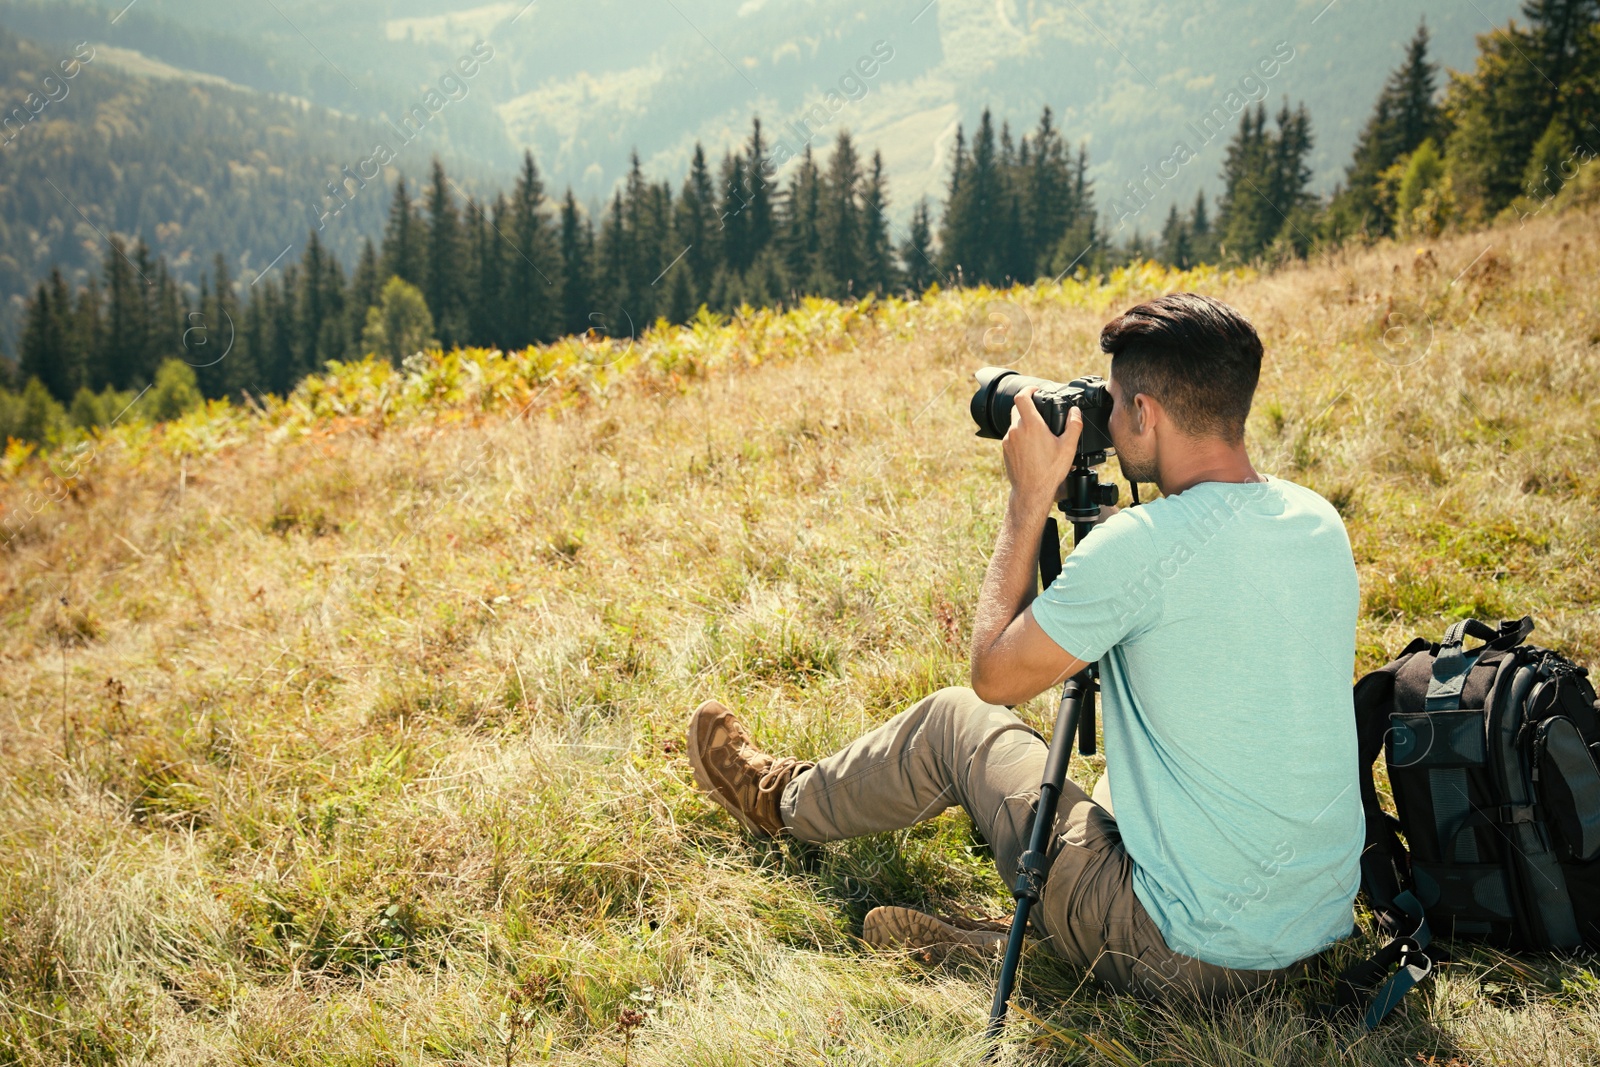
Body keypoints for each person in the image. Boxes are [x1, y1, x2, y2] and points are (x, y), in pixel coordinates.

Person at [686, 293, 1362, 996]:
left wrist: (1028, 497)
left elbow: (994, 673)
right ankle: (1020, 940)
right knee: (1109, 788)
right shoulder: (1316, 519)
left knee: (956, 723)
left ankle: (777, 800)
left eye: (1114, 399)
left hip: (1186, 957)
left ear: (1143, 413)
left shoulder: (1143, 547)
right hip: (1313, 931)